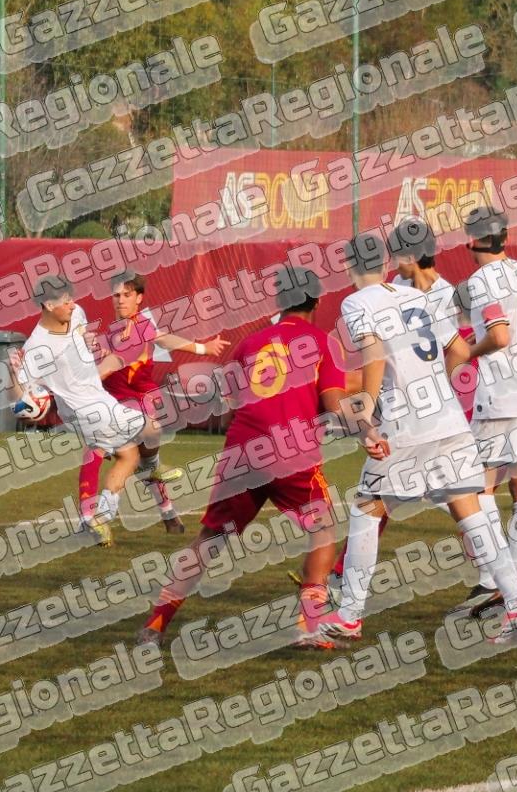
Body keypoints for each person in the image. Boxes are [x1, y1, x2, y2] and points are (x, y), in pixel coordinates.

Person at [139, 266, 366, 647]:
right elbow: (333, 402)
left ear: (278, 301)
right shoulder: (323, 342)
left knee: (210, 539)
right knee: (323, 530)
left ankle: (155, 626)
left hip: (243, 449)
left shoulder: (251, 343)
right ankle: (308, 627)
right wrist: (366, 425)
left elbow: (232, 406)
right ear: (316, 301)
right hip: (290, 451)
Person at [331, 231, 517, 645]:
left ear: (349, 266)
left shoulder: (357, 302)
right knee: (473, 514)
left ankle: (349, 616)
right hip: (449, 420)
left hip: (405, 425)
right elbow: (458, 350)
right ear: (384, 261)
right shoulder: (415, 296)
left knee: (366, 511)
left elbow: (374, 353)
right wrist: (434, 388)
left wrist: (367, 415)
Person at [436, 209, 517, 619]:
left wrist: (468, 353)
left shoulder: (482, 280)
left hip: (504, 392)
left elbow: (500, 336)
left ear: (471, 240)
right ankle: (509, 583)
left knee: (477, 489)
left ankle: (496, 583)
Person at [11, 276, 155, 545]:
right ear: (49, 305)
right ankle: (151, 470)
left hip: (98, 400)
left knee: (128, 455)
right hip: (87, 410)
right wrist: (14, 379)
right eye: (66, 301)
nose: (72, 304)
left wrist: (88, 343)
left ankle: (94, 518)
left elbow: (80, 341)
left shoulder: (76, 313)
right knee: (151, 428)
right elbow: (20, 405)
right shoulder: (36, 348)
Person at [96, 270, 224, 534]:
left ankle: (103, 518)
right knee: (133, 459)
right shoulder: (111, 333)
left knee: (138, 453)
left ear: (139, 298)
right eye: (116, 295)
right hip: (114, 402)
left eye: (127, 294)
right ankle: (157, 510)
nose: (120, 300)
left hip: (141, 400)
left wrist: (203, 348)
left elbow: (163, 338)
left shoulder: (141, 326)